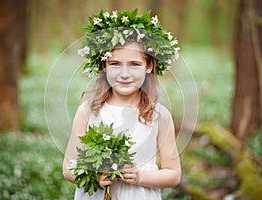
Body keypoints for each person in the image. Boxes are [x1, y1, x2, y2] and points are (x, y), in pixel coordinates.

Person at [63, 9, 181, 200]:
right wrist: (93, 176)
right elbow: (68, 166)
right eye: (115, 64)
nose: (124, 74)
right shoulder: (88, 111)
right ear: (103, 66)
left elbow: (173, 174)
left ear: (149, 66)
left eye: (134, 64)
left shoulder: (159, 115)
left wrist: (139, 176)